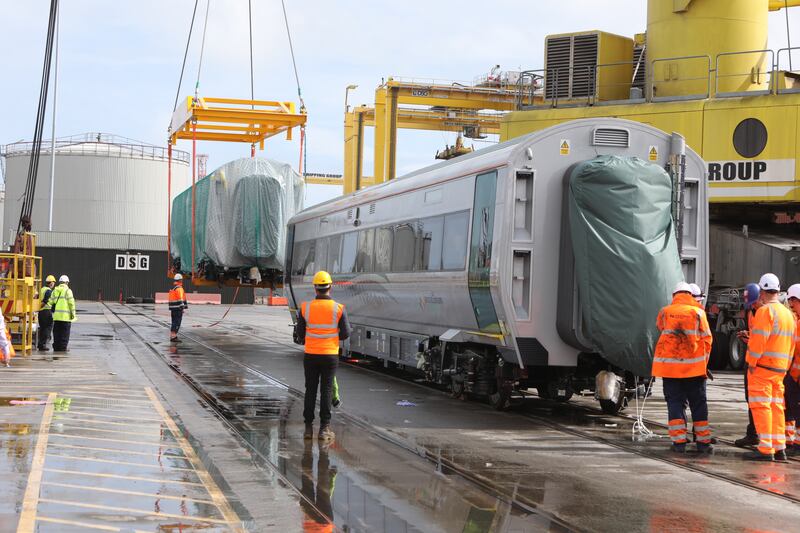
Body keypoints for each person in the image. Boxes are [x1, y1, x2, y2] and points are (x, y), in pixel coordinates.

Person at [652, 281, 714, 453]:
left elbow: (660, 328)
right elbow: (707, 340)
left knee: (675, 403)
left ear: (674, 295)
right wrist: (703, 363)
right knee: (698, 405)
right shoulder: (698, 312)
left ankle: (679, 442)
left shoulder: (665, 312)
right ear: (689, 294)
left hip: (670, 370)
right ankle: (703, 443)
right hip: (694, 370)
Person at [743, 273, 797, 462]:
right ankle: (779, 447)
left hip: (763, 368)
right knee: (776, 407)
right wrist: (786, 365)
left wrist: (751, 362)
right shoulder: (788, 314)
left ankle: (766, 449)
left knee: (761, 406)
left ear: (762, 291)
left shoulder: (766, 311)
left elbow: (758, 340)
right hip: (780, 370)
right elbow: (792, 344)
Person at [294, 271, 351, 442]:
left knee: (310, 389)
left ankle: (308, 429)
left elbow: (300, 333)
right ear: (330, 287)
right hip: (330, 355)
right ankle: (324, 429)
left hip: (311, 354)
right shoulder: (339, 308)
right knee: (326, 390)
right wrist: (332, 336)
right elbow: (346, 334)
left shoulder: (306, 307)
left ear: (315, 288)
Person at [735, 282, 762, 448]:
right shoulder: (751, 311)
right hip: (751, 361)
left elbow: (767, 338)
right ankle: (753, 433)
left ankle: (761, 435)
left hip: (762, 365)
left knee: (762, 402)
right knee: (750, 399)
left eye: (753, 302)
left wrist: (751, 337)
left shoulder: (766, 312)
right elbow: (759, 335)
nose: (751, 305)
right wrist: (748, 336)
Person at [784, 284, 800, 455]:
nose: (791, 306)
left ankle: (797, 444)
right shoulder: (797, 321)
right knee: (791, 408)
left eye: (792, 303)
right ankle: (792, 442)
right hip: (793, 375)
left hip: (796, 375)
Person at [51, 275, 76, 352]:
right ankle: (63, 347)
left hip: (57, 317)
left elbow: (51, 302)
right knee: (65, 334)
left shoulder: (55, 290)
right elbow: (71, 304)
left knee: (56, 333)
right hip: (66, 317)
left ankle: (56, 347)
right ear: (67, 282)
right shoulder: (68, 291)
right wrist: (73, 314)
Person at [37, 275, 57, 351]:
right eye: (53, 283)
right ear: (51, 283)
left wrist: (38, 308)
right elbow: (45, 301)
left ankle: (40, 344)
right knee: (47, 328)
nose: (54, 284)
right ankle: (43, 345)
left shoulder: (42, 289)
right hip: (46, 311)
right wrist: (41, 307)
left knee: (42, 328)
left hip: (41, 312)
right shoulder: (48, 291)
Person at [168, 274, 188, 342]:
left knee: (174, 322)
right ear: (180, 280)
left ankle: (173, 336)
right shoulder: (179, 288)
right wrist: (182, 308)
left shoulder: (174, 288)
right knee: (177, 322)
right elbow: (180, 299)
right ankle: (173, 337)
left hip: (173, 308)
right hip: (177, 309)